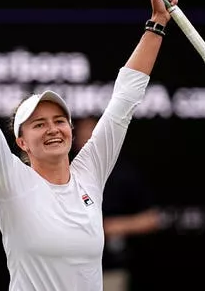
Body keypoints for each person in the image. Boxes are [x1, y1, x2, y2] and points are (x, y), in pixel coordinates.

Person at [0, 0, 177, 291]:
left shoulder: (90, 172)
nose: (52, 129)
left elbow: (124, 100)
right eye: (39, 124)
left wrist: (157, 23)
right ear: (22, 142)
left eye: (59, 120)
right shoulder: (11, 179)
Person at [73, 117, 162, 291]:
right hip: (70, 269)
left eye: (93, 138)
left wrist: (110, 227)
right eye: (83, 138)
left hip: (110, 268)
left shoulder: (124, 174)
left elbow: (152, 218)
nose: (88, 144)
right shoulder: (67, 172)